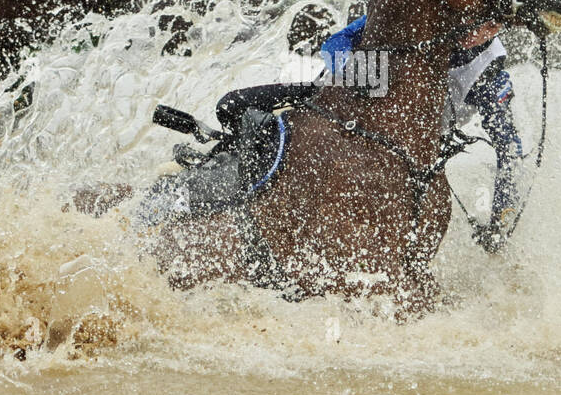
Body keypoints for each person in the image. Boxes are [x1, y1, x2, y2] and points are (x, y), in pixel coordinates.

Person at [215, 14, 524, 253]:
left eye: (490, 25)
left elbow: (509, 149)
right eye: (471, 19)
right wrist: (355, 74)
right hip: (353, 98)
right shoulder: (421, 18)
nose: (476, 30)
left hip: (411, 148)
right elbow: (338, 40)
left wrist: (500, 219)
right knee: (230, 104)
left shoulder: (489, 75)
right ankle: (229, 164)